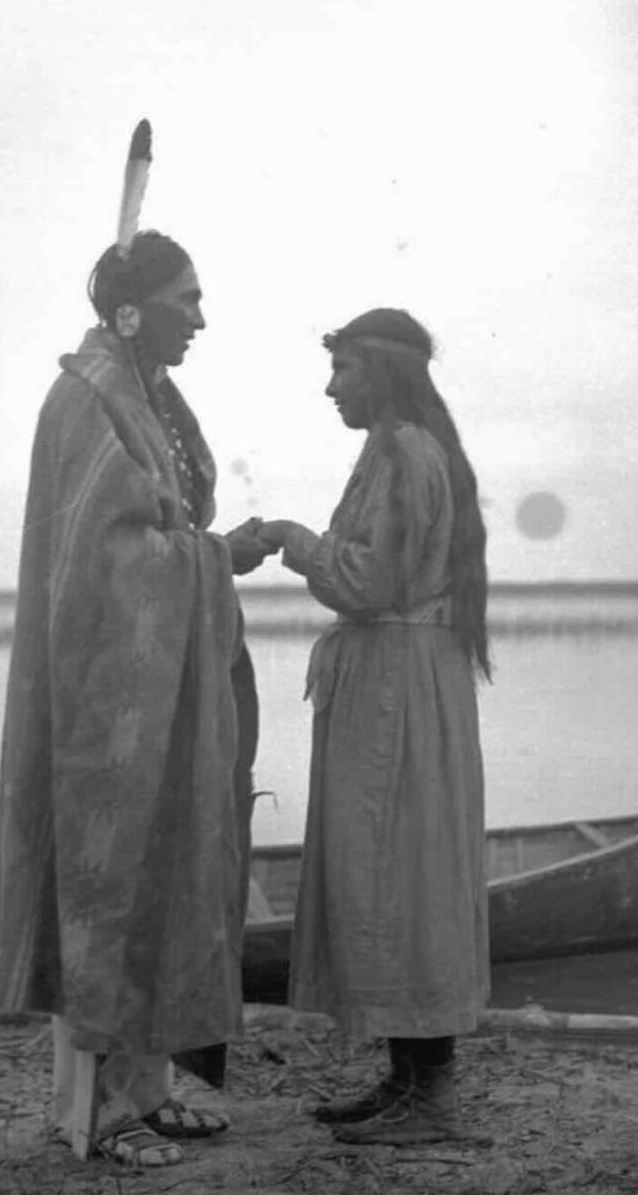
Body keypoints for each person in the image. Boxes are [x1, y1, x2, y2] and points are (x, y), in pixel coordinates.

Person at [0, 125, 269, 1169]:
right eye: (189, 299)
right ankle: (92, 1115)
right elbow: (109, 558)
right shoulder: (90, 400)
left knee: (165, 879)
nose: (203, 317)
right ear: (136, 310)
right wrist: (212, 555)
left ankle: (147, 1087)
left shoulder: (141, 397)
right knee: (110, 887)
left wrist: (203, 554)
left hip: (159, 694)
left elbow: (163, 531)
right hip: (107, 702)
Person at [255, 308, 491, 1145]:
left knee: (403, 877)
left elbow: (369, 582)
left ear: (382, 372)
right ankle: (406, 1082)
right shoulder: (401, 450)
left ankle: (432, 1100)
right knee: (391, 874)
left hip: (397, 692)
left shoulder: (403, 454)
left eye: (344, 368)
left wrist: (290, 538)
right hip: (396, 687)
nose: (330, 386)